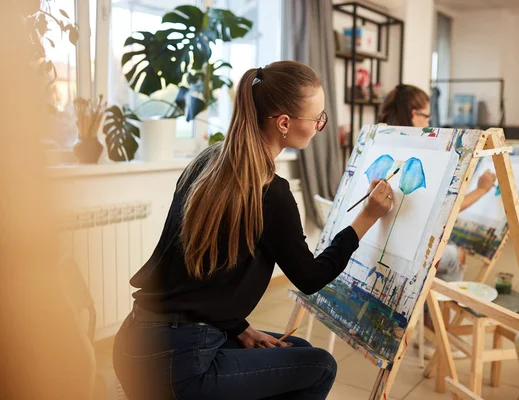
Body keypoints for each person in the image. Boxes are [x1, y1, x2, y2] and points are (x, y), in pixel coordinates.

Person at [112, 61, 393, 400]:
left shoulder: (208, 162)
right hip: (176, 365)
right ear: (285, 123)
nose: (321, 126)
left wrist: (240, 328)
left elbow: (198, 279)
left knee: (296, 347)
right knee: (320, 366)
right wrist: (366, 218)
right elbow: (311, 277)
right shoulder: (270, 192)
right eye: (318, 118)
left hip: (137, 343)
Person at [378, 84, 496, 358]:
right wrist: (481, 190)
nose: (430, 123)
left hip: (384, 244)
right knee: (457, 256)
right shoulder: (419, 152)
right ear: (413, 113)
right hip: (406, 254)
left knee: (447, 248)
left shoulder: (385, 140)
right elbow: (445, 210)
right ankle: (432, 335)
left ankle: (423, 325)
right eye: (427, 117)